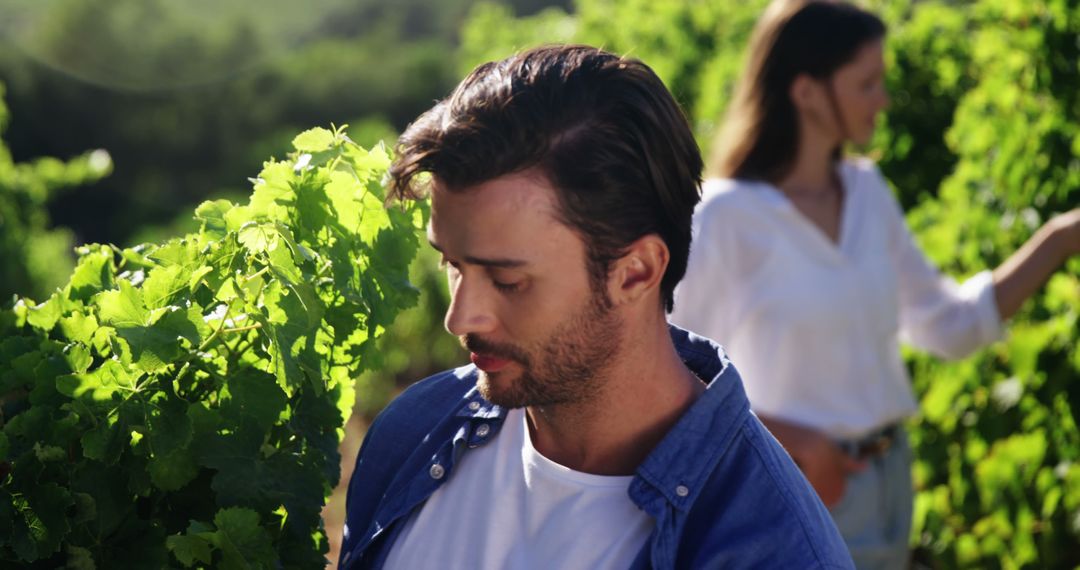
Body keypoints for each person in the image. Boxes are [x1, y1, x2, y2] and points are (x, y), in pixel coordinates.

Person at [338, 45, 854, 569]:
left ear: (636, 272)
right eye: (452, 265)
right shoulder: (411, 433)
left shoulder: (773, 552)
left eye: (507, 280)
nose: (461, 317)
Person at [670, 1, 1080, 568]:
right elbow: (676, 372)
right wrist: (796, 439)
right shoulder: (725, 216)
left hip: (889, 479)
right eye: (867, 83)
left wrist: (1061, 238)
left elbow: (951, 327)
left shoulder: (866, 193)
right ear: (808, 91)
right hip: (796, 485)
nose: (883, 99)